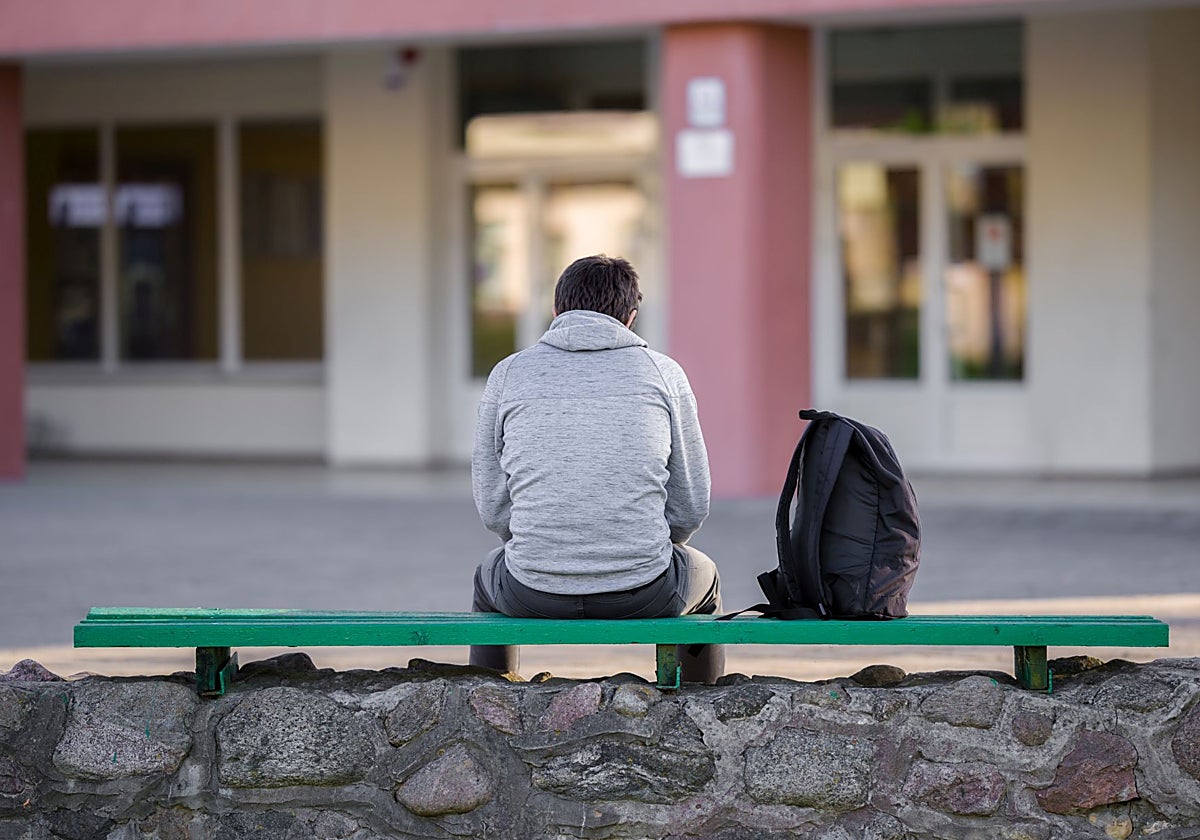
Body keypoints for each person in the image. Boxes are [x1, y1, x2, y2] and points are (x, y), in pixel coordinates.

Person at [469, 254, 724, 684]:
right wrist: (644, 547)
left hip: (530, 590)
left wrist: (545, 547)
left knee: (486, 577)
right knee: (708, 577)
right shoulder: (663, 374)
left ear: (557, 311)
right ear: (630, 316)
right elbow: (692, 504)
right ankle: (699, 708)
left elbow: (493, 506)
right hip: (646, 589)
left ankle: (493, 705)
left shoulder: (509, 373)